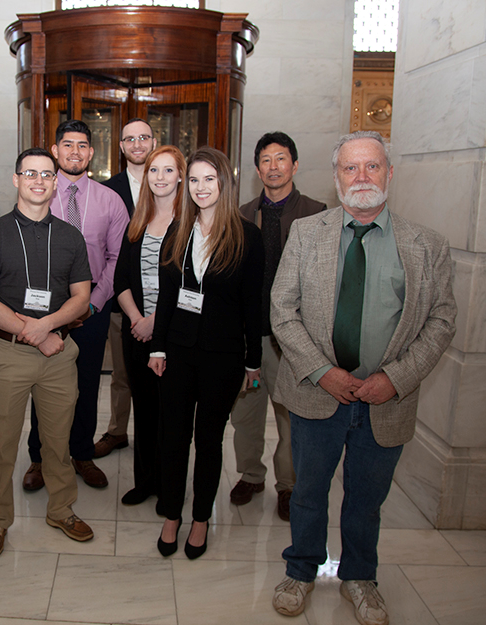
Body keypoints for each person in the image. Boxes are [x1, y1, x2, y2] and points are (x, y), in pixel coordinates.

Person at [269, 131, 456, 625]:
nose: (362, 178)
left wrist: (395, 379)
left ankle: (359, 577)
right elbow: (282, 310)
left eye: (372, 167)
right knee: (307, 493)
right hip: (316, 394)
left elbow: (441, 320)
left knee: (367, 499)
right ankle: (302, 570)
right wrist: (321, 370)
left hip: (385, 400)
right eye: (350, 169)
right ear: (336, 179)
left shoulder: (427, 245)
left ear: (389, 174)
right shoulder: (306, 234)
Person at [0, 148, 95, 557]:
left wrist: (46, 328)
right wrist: (36, 332)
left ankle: (61, 510)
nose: (39, 180)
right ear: (16, 179)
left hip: (60, 355)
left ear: (55, 182)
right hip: (10, 355)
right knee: (1, 443)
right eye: (30, 173)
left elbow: (82, 298)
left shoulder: (70, 236)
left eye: (47, 174)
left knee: (58, 443)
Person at [149, 147, 263, 560]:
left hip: (224, 355)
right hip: (177, 350)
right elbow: (165, 296)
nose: (200, 188)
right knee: (173, 437)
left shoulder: (247, 235)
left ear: (224, 184)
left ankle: (200, 519)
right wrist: (158, 346)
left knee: (209, 440)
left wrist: (253, 359)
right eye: (193, 180)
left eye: (208, 180)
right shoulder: (178, 230)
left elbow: (254, 302)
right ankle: (171, 515)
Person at [23, 119, 129, 491]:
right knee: (43, 384)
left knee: (85, 384)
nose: (75, 152)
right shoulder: (38, 192)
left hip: (91, 313)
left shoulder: (109, 200)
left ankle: (81, 453)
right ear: (55, 150)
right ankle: (39, 457)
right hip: (45, 313)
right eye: (67, 145)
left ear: (91, 153)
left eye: (83, 146)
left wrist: (94, 302)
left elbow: (119, 258)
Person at [229, 132, 326, 520]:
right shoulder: (241, 213)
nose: (273, 167)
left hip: (293, 338)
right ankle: (251, 474)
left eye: (281, 159)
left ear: (295, 165)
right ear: (257, 169)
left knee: (289, 416)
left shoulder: (316, 213)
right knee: (246, 413)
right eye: (266, 160)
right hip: (249, 335)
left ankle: (287, 485)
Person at [114, 145, 185, 506]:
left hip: (174, 334)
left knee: (171, 414)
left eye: (168, 170)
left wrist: (156, 322)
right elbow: (121, 279)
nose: (159, 177)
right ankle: (145, 482)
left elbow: (188, 286)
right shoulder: (137, 222)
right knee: (143, 409)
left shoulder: (190, 225)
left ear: (180, 176)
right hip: (138, 332)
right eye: (154, 171)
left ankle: (169, 487)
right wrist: (136, 319)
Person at [96, 118, 158, 459]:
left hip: (167, 302)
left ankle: (158, 434)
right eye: (130, 139)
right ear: (120, 147)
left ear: (153, 141)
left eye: (144, 137)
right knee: (122, 374)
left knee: (164, 373)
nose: (137, 144)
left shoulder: (169, 182)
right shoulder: (108, 190)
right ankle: (118, 431)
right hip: (123, 300)